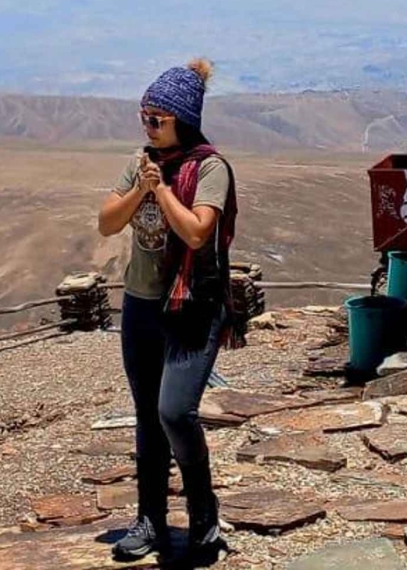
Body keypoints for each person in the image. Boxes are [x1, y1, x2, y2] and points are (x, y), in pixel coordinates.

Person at [97, 58, 238, 564]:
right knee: (146, 416)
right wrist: (142, 187)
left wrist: (160, 190)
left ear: (183, 119)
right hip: (141, 304)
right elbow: (107, 223)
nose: (148, 126)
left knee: (174, 411)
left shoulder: (209, 168)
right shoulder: (141, 163)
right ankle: (150, 519)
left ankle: (203, 510)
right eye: (144, 116)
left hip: (192, 307)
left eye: (157, 118)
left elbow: (198, 231)